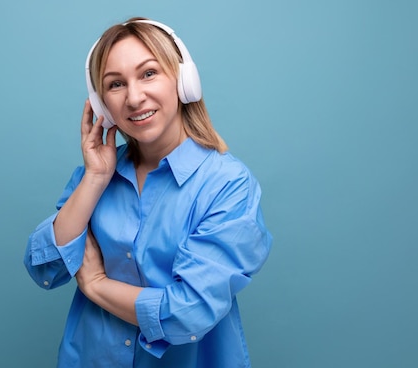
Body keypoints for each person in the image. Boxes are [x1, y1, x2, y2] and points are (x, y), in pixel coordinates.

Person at [24, 17, 272, 368]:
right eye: (115, 84)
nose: (134, 97)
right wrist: (95, 177)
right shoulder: (96, 177)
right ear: (101, 104)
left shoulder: (228, 185)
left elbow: (188, 313)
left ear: (184, 81)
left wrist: (95, 285)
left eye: (149, 73)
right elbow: (45, 268)